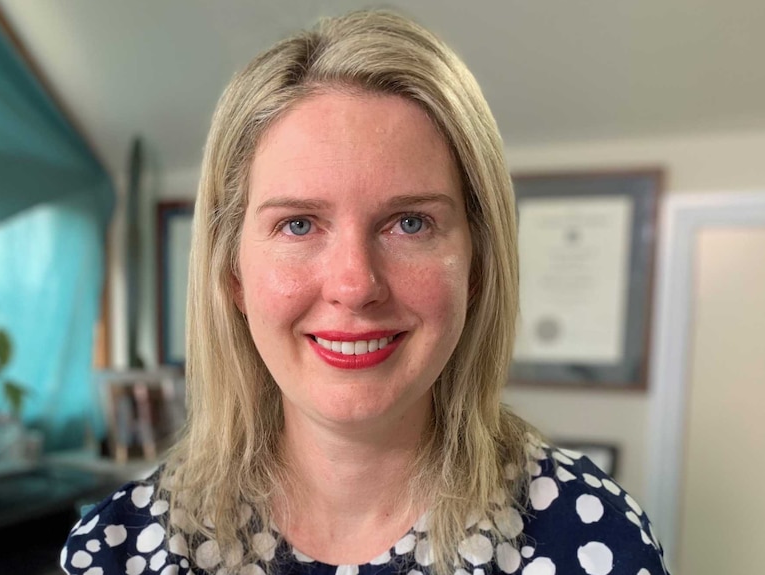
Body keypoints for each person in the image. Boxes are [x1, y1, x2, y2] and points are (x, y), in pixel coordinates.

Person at [62, 10, 670, 575]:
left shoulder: (598, 544)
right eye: (298, 224)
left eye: (410, 222)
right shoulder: (117, 552)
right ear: (232, 273)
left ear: (478, 264)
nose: (354, 285)